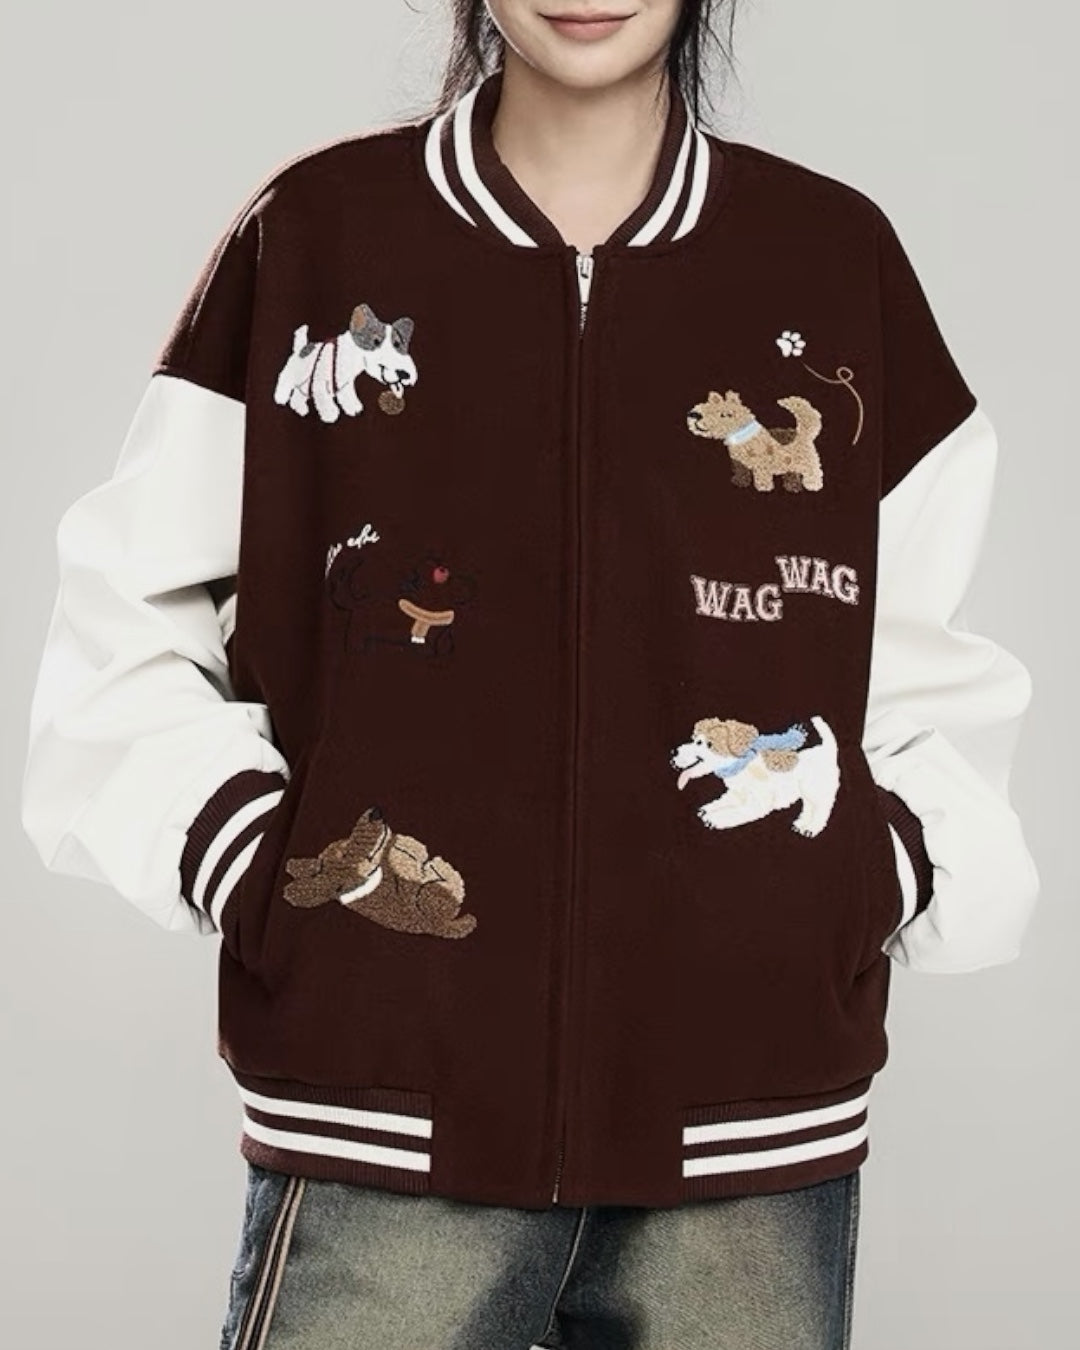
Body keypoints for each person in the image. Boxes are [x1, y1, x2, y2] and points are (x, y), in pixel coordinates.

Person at [20, 2, 1041, 1347]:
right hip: (384, 1120)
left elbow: (921, 669)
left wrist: (859, 874)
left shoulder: (831, 260)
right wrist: (263, 869)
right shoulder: (318, 237)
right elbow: (124, 619)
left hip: (748, 1143)